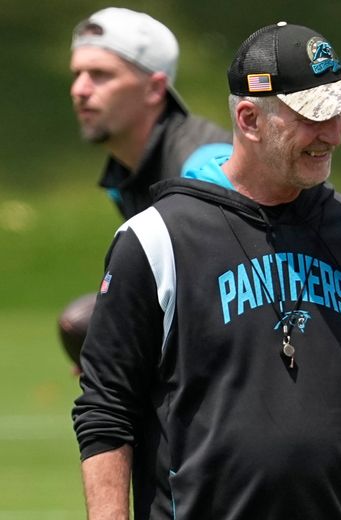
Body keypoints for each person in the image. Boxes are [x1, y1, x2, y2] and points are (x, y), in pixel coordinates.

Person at [72, 22, 341, 520]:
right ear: (249, 118)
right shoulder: (156, 239)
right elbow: (106, 412)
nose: (332, 135)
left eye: (338, 114)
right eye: (312, 117)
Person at [59, 7, 233, 370]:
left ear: (155, 88)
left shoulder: (206, 170)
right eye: (78, 73)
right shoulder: (125, 177)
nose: (79, 89)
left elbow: (248, 292)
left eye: (100, 75)